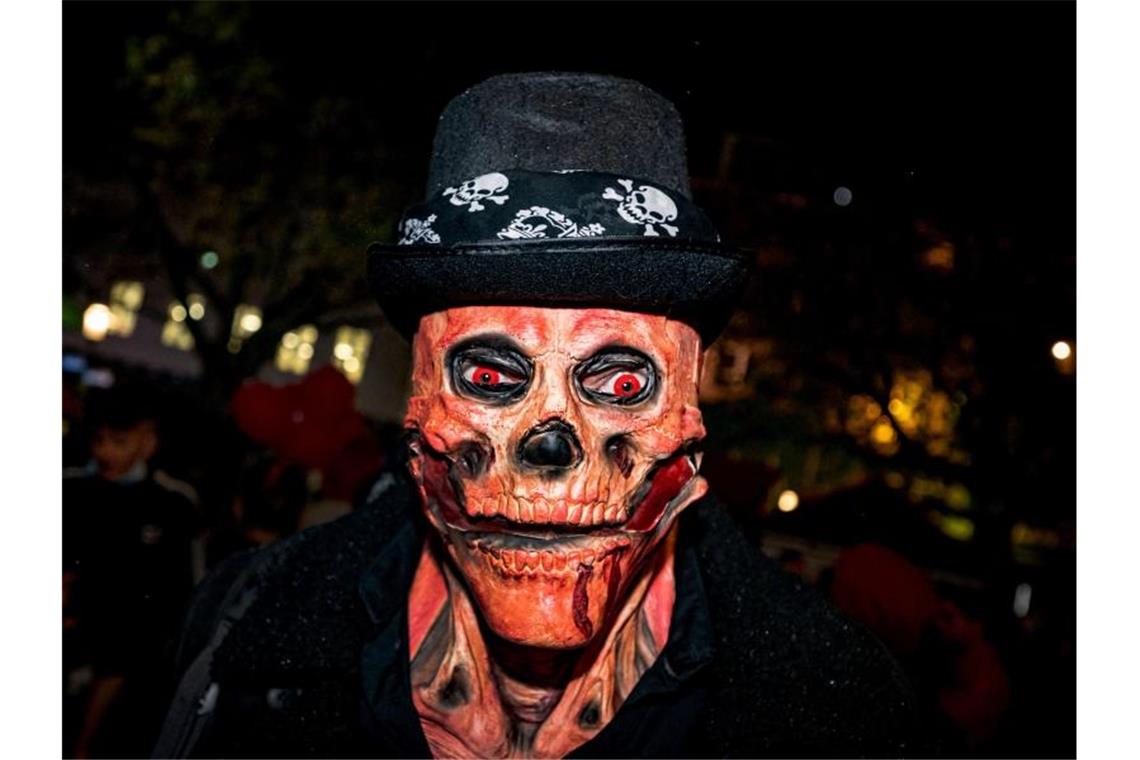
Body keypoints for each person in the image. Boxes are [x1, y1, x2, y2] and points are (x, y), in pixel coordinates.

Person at [155, 73, 920, 758]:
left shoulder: (841, 714)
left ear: (689, 414)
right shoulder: (238, 628)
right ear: (417, 404)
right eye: (490, 375)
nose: (550, 442)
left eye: (620, 386)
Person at [63, 385, 197, 758]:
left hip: (127, 655)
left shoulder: (172, 503)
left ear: (147, 439)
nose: (104, 452)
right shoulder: (71, 486)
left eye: (118, 441)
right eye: (99, 440)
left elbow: (179, 587)